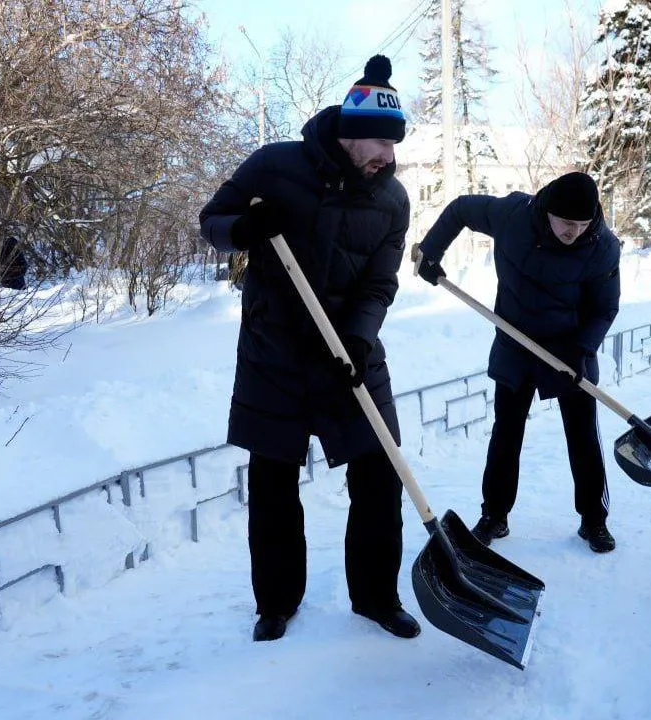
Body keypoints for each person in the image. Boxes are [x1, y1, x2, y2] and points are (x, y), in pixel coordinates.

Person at [198, 55, 420, 643]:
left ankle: (376, 597)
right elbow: (212, 220)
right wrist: (242, 231)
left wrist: (357, 338)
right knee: (273, 482)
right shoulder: (274, 164)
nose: (388, 157)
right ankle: (276, 602)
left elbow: (380, 281)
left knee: (380, 472)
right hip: (276, 352)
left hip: (352, 354)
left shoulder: (392, 200)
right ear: (348, 134)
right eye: (379, 142)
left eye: (394, 146)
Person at [414, 172, 621, 554]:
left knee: (582, 434)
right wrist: (431, 251)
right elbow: (460, 209)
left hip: (569, 349)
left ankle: (594, 519)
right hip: (515, 340)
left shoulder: (602, 247)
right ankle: (494, 515)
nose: (573, 231)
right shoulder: (511, 215)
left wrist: (580, 350)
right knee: (506, 432)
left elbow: (605, 307)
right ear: (548, 211)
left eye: (582, 224)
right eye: (566, 223)